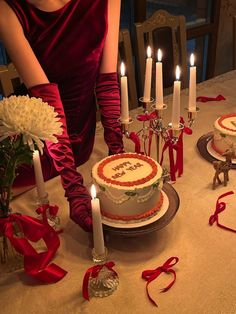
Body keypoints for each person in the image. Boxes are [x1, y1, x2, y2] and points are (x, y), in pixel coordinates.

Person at [0, 0, 124, 232]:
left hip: (83, 142)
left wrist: (118, 153)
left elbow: (107, 81)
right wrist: (74, 190)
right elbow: (47, 103)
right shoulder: (7, 8)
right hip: (36, 149)